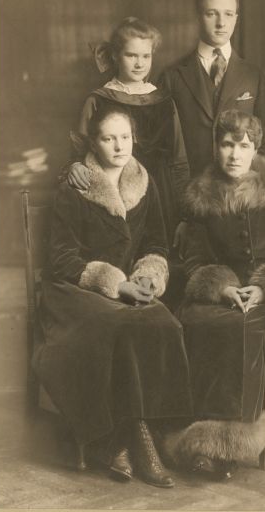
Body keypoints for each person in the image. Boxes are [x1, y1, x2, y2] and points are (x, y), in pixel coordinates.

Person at [32, 106, 193, 488]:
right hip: (74, 288)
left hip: (127, 284)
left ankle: (152, 432)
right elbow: (62, 258)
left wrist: (149, 276)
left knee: (164, 322)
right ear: (94, 142)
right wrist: (114, 284)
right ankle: (121, 439)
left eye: (124, 137)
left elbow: (156, 241)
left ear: (134, 138)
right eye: (108, 138)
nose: (118, 146)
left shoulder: (144, 180)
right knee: (117, 324)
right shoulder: (76, 184)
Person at [163, 109, 265, 480]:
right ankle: (195, 438)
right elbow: (194, 258)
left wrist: (263, 287)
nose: (234, 154)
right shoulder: (201, 193)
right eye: (227, 144)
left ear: (255, 149)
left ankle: (229, 444)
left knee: (238, 328)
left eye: (243, 146)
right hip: (221, 290)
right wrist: (223, 287)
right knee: (194, 321)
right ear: (216, 147)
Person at [66, 17, 189, 246]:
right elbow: (79, 152)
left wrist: (185, 214)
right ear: (115, 56)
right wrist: (74, 165)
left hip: (160, 193)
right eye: (131, 55)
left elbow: (179, 159)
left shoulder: (163, 101)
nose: (139, 63)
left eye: (146, 56)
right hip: (113, 190)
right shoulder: (99, 99)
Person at [159, 0, 265, 178]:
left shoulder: (254, 75)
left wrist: (252, 192)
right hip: (189, 193)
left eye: (228, 14)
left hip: (241, 196)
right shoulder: (172, 76)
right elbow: (162, 146)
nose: (221, 23)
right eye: (211, 14)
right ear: (198, 17)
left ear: (236, 18)